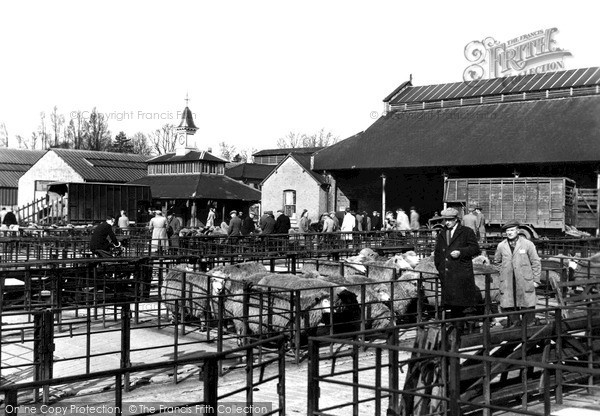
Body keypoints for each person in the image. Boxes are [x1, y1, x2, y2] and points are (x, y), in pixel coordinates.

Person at [433, 207, 481, 334]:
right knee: (453, 307)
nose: (447, 222)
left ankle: (470, 332)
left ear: (456, 219)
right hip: (448, 276)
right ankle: (456, 332)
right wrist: (441, 268)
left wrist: (461, 252)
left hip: (461, 275)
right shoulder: (442, 233)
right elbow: (438, 252)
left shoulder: (466, 232)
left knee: (465, 305)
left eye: (449, 220)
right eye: (445, 220)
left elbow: (475, 249)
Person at [494, 220, 541, 327]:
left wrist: (536, 281)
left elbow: (536, 262)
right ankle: (515, 326)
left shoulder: (527, 244)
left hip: (525, 280)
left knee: (527, 305)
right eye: (507, 231)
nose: (509, 232)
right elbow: (497, 262)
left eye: (512, 230)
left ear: (518, 231)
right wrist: (504, 273)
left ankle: (530, 325)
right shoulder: (501, 246)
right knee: (510, 305)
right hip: (508, 282)